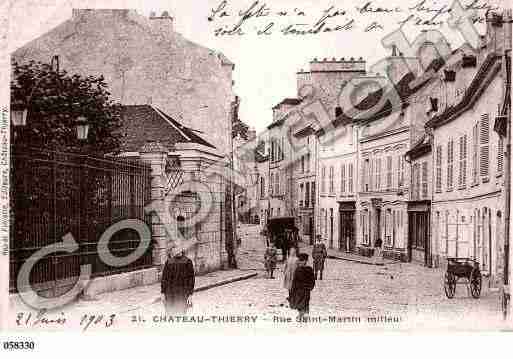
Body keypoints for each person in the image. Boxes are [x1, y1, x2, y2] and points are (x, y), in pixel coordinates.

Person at [161, 246, 195, 315]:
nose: (175, 252)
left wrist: (190, 295)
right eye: (174, 250)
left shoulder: (170, 262)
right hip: (178, 293)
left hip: (173, 293)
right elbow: (164, 278)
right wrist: (163, 293)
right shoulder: (187, 261)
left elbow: (191, 279)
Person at [289, 253, 315, 320]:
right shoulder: (299, 269)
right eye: (300, 261)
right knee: (302, 302)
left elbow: (312, 280)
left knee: (304, 302)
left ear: (305, 261)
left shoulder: (308, 269)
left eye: (302, 261)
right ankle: (302, 314)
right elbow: (294, 280)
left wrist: (310, 287)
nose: (300, 262)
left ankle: (303, 315)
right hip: (300, 289)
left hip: (304, 289)